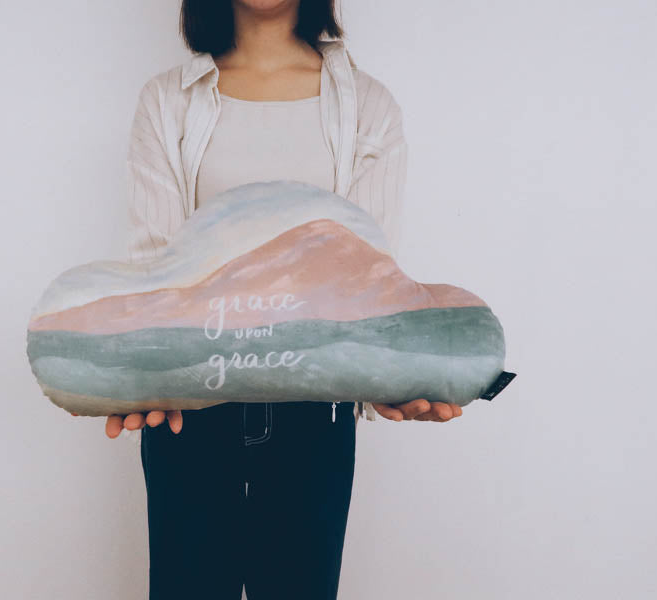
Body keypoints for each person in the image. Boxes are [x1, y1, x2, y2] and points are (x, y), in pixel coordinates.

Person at [109, 2, 463, 598]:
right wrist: (142, 374)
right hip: (192, 409)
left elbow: (365, 281)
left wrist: (394, 379)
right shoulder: (168, 100)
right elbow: (156, 273)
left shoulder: (368, 107)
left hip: (314, 413)